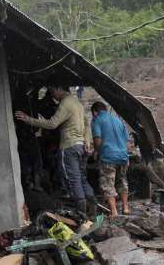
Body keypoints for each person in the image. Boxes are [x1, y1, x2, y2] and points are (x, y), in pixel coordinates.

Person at [14, 85, 96, 215]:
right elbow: (86, 124)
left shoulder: (65, 103)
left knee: (72, 179)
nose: (53, 96)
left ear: (58, 89)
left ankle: (81, 213)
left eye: (52, 92)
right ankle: (92, 209)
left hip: (69, 146)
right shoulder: (77, 103)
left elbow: (52, 124)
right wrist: (86, 140)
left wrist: (27, 119)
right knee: (82, 178)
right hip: (80, 145)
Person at [91, 101, 131, 217]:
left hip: (109, 156)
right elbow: (127, 143)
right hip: (123, 156)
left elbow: (97, 141)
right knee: (122, 181)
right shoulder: (118, 120)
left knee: (108, 184)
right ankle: (125, 207)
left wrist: (96, 151)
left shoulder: (97, 120)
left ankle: (114, 211)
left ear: (95, 112)